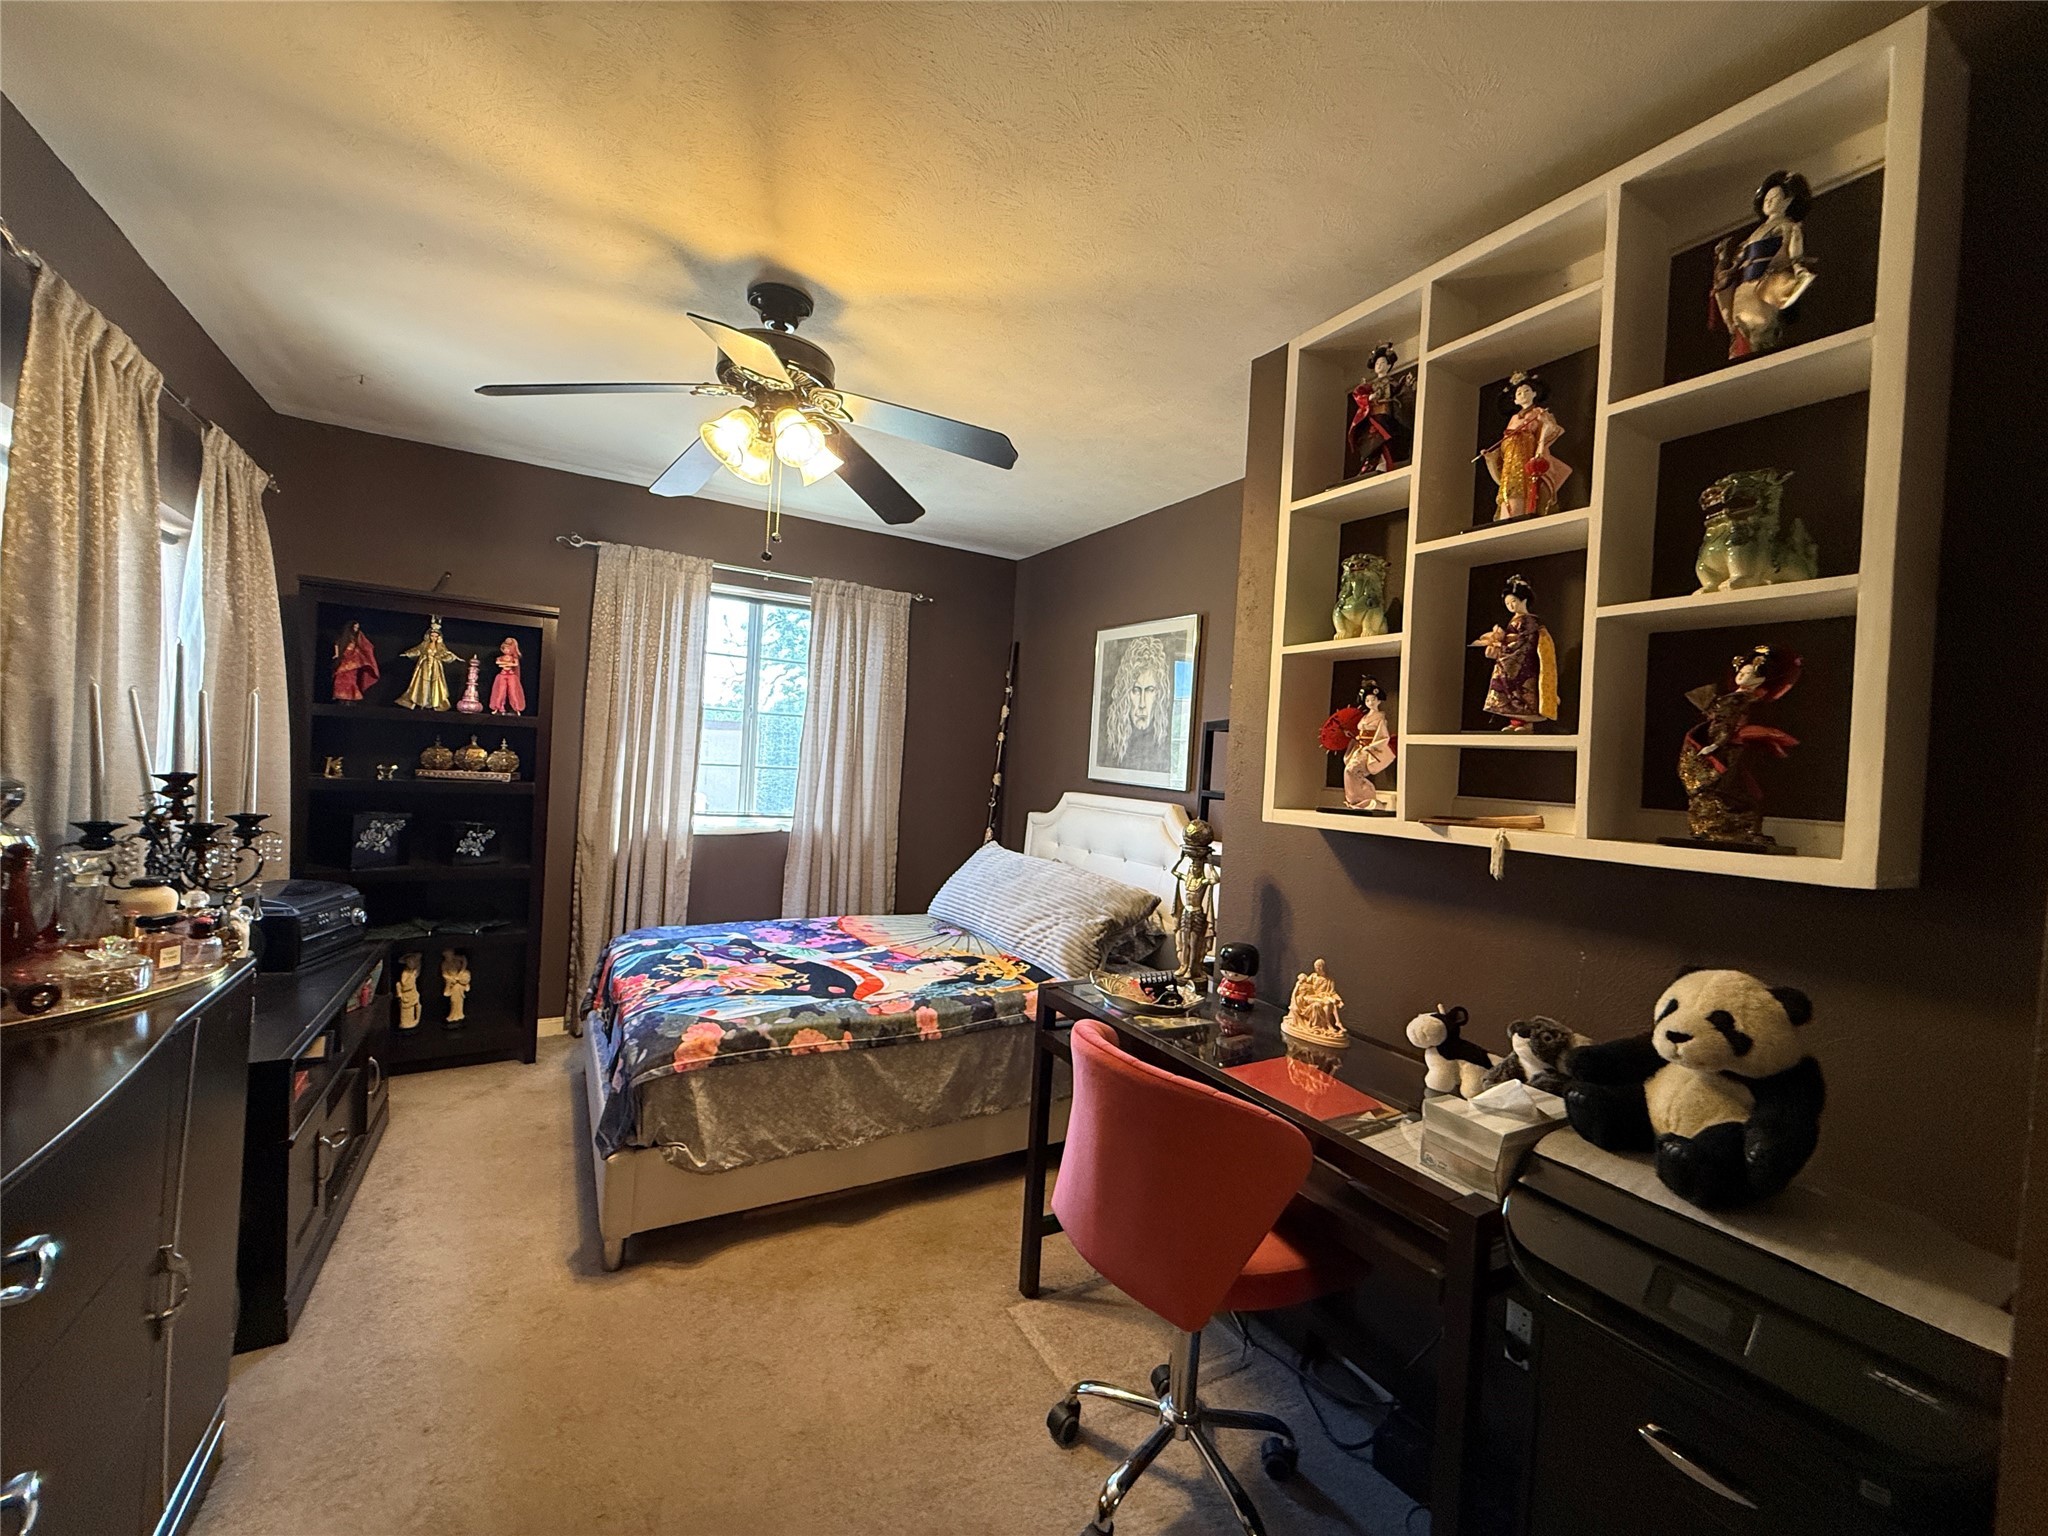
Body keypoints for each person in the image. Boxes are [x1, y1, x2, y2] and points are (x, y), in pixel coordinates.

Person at [1710, 170, 1817, 359]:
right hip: (1745, 286)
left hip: (1764, 285)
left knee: (1761, 329)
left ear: (1788, 201)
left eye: (1775, 198)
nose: (1768, 201)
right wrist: (1725, 263)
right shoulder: (1753, 235)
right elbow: (1738, 262)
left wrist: (1797, 268)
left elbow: (1793, 253)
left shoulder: (1787, 227)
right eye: (1767, 198)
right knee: (1739, 328)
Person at [1479, 371, 1571, 523]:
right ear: (1515, 400)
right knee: (1509, 487)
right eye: (1519, 393)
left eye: (1527, 391)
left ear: (1534, 393)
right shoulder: (1514, 418)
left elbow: (1549, 429)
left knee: (1527, 486)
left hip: (1526, 454)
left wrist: (1545, 427)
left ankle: (1524, 511)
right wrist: (1492, 454)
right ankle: (1508, 515)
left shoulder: (1538, 412)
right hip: (1511, 458)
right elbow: (1505, 441)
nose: (1523, 395)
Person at [1473, 575, 1559, 732]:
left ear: (1524, 600)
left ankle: (1527, 724)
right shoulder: (1515, 620)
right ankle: (1516, 723)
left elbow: (1523, 641)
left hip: (1523, 661)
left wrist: (1503, 647)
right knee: (1510, 691)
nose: (1510, 606)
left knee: (1523, 692)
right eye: (1507, 603)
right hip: (1512, 660)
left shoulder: (1529, 621)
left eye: (1513, 601)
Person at [1103, 635, 1174, 772]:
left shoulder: (1163, 742)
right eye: (1135, 690)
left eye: (1150, 690)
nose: (1142, 704)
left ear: (1159, 694)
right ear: (1125, 695)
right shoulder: (1112, 745)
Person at [1347, 342, 1414, 478]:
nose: (1379, 365)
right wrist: (1370, 398)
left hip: (1386, 414)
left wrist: (1407, 384)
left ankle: (1383, 462)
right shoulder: (1369, 386)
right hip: (1373, 416)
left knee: (1384, 439)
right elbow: (1360, 396)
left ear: (1388, 366)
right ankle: (1371, 464)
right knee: (1371, 440)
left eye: (1383, 363)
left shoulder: (1391, 383)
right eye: (1377, 363)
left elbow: (1399, 393)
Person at [396, 616, 458, 711]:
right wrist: (407, 654)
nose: (434, 638)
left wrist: (453, 657)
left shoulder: (440, 647)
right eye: (432, 636)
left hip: (435, 667)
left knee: (435, 684)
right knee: (422, 683)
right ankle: (421, 701)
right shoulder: (425, 645)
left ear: (439, 637)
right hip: (424, 666)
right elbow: (417, 651)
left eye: (436, 636)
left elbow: (446, 654)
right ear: (429, 636)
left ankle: (435, 702)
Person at [330, 621, 379, 702]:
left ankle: (350, 697)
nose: (356, 629)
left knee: (351, 679)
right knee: (341, 677)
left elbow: (364, 646)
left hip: (353, 661)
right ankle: (341, 696)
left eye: (357, 628)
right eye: (355, 627)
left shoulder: (357, 638)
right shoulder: (345, 638)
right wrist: (337, 654)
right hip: (345, 659)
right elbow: (337, 644)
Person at [489, 636, 526, 715]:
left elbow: (515, 664)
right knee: (501, 692)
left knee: (513, 692)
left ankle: (517, 708)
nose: (506, 650)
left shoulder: (513, 658)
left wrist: (507, 664)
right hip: (503, 674)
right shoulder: (501, 657)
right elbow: (498, 662)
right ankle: (498, 707)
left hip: (511, 675)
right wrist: (505, 663)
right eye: (505, 648)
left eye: (508, 649)